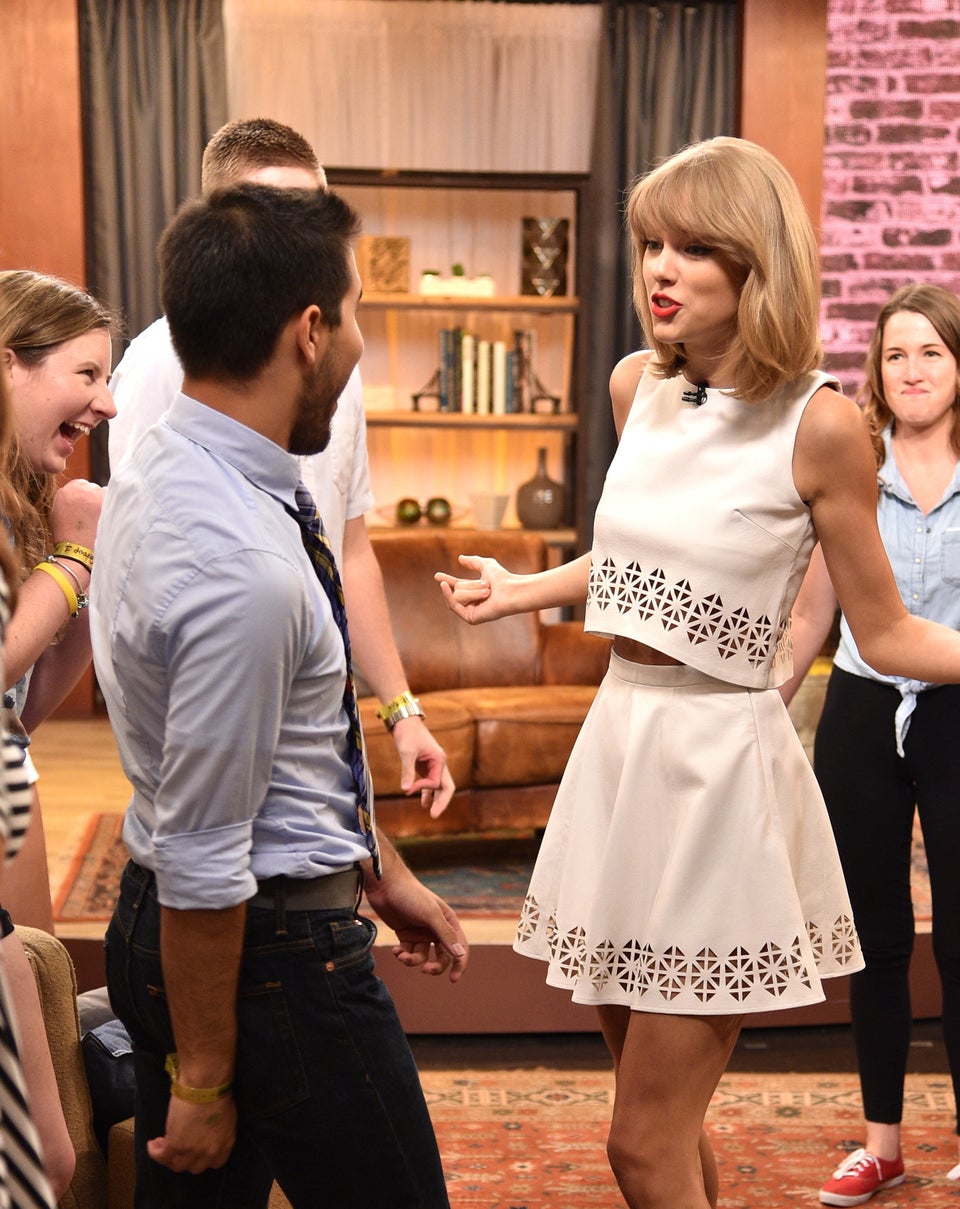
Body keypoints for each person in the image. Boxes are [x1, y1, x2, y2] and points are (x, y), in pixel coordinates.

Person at [436, 136, 960, 1209]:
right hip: (621, 742)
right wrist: (521, 589)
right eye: (649, 246)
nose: (659, 271)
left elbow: (891, 632)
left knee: (638, 1145)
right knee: (655, 1118)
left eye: (692, 249)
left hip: (718, 770)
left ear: (756, 265)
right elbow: (640, 554)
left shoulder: (821, 428)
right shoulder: (639, 388)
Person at [89, 181, 468, 1209]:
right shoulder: (238, 567)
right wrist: (205, 1081)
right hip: (268, 962)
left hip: (216, 930)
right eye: (352, 314)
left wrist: (374, 867)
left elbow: (280, 752)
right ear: (308, 330)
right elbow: (209, 855)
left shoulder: (171, 461)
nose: (356, 343)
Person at [108, 116, 454, 819]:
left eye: (313, 220)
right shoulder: (153, 367)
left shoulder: (336, 362)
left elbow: (348, 548)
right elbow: (146, 580)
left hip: (319, 727)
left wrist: (399, 707)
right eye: (275, 218)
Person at [780, 283, 960, 1206]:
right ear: (877, 373)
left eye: (930, 350)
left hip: (959, 709)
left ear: (958, 364)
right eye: (896, 354)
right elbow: (814, 608)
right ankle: (882, 1144)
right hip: (861, 708)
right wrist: (761, 703)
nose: (913, 368)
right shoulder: (855, 470)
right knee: (874, 935)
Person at [0, 269, 117, 932]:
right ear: (9, 364)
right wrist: (73, 559)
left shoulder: (25, 497)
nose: (108, 403)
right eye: (87, 373)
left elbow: (22, 711)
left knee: (37, 992)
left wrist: (92, 567)